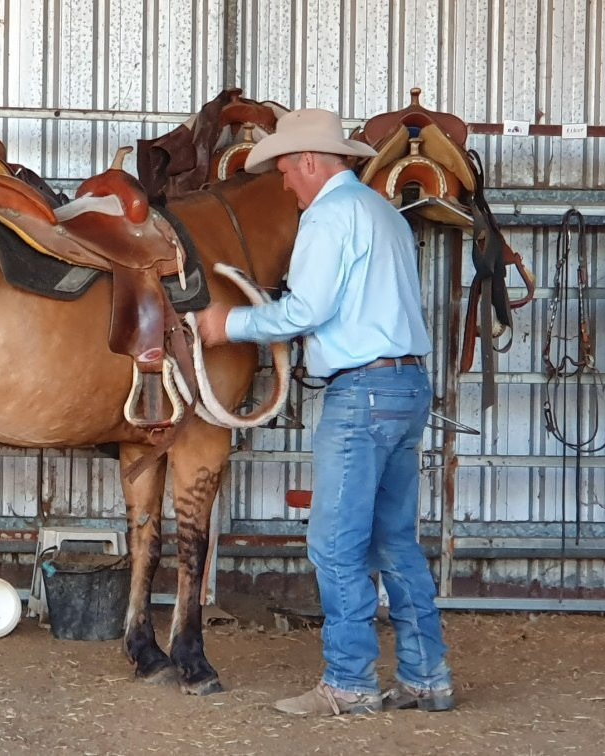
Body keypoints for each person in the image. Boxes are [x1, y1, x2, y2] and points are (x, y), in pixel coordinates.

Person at [194, 108, 454, 716]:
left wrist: (225, 322)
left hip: (361, 393)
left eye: (286, 170)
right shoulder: (381, 212)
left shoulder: (329, 216)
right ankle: (426, 676)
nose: (285, 183)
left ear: (309, 162)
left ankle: (349, 682)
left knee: (335, 544)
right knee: (394, 541)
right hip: (406, 386)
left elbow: (305, 311)